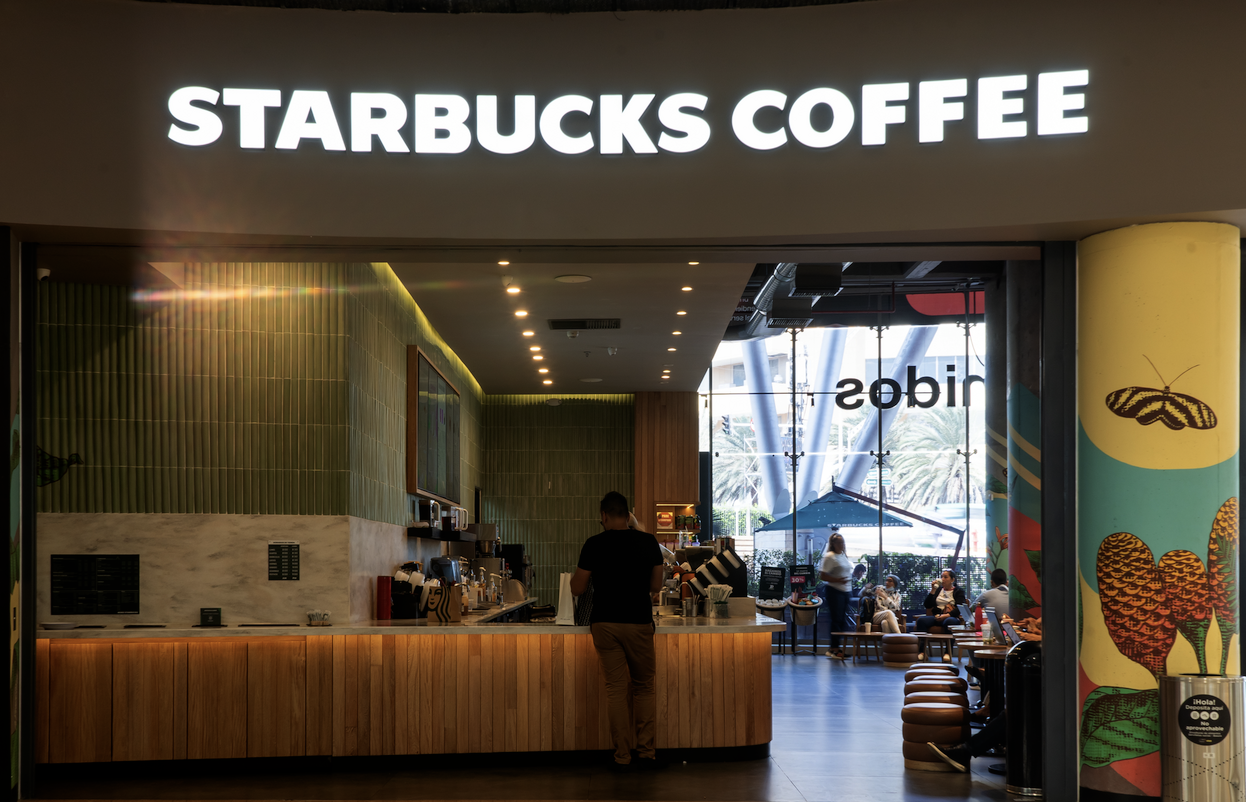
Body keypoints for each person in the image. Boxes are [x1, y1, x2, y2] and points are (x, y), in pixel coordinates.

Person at [571, 491, 665, 772]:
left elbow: (577, 588)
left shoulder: (593, 544)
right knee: (643, 687)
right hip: (638, 621)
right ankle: (646, 754)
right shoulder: (648, 542)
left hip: (605, 624)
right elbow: (656, 586)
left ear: (604, 516)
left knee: (616, 690)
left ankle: (622, 757)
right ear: (628, 515)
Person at [915, 569, 966, 660]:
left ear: (952, 580)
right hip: (936, 616)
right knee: (921, 620)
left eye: (945, 577)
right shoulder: (938, 590)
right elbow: (927, 605)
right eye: (942, 577)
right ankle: (922, 651)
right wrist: (932, 590)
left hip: (950, 617)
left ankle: (948, 652)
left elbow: (960, 608)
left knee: (950, 621)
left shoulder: (959, 591)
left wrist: (947, 615)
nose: (943, 579)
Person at [820, 531, 853, 660]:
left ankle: (838, 648)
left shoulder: (843, 556)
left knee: (842, 621)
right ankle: (833, 649)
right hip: (835, 591)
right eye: (839, 542)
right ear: (833, 544)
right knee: (836, 621)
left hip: (845, 591)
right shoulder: (830, 556)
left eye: (843, 542)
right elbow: (822, 575)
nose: (842, 544)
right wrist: (838, 580)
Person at [971, 569, 1010, 641]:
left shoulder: (986, 595)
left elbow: (972, 608)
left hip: (993, 634)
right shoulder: (1014, 595)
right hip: (1012, 633)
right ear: (1007, 582)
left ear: (991, 582)